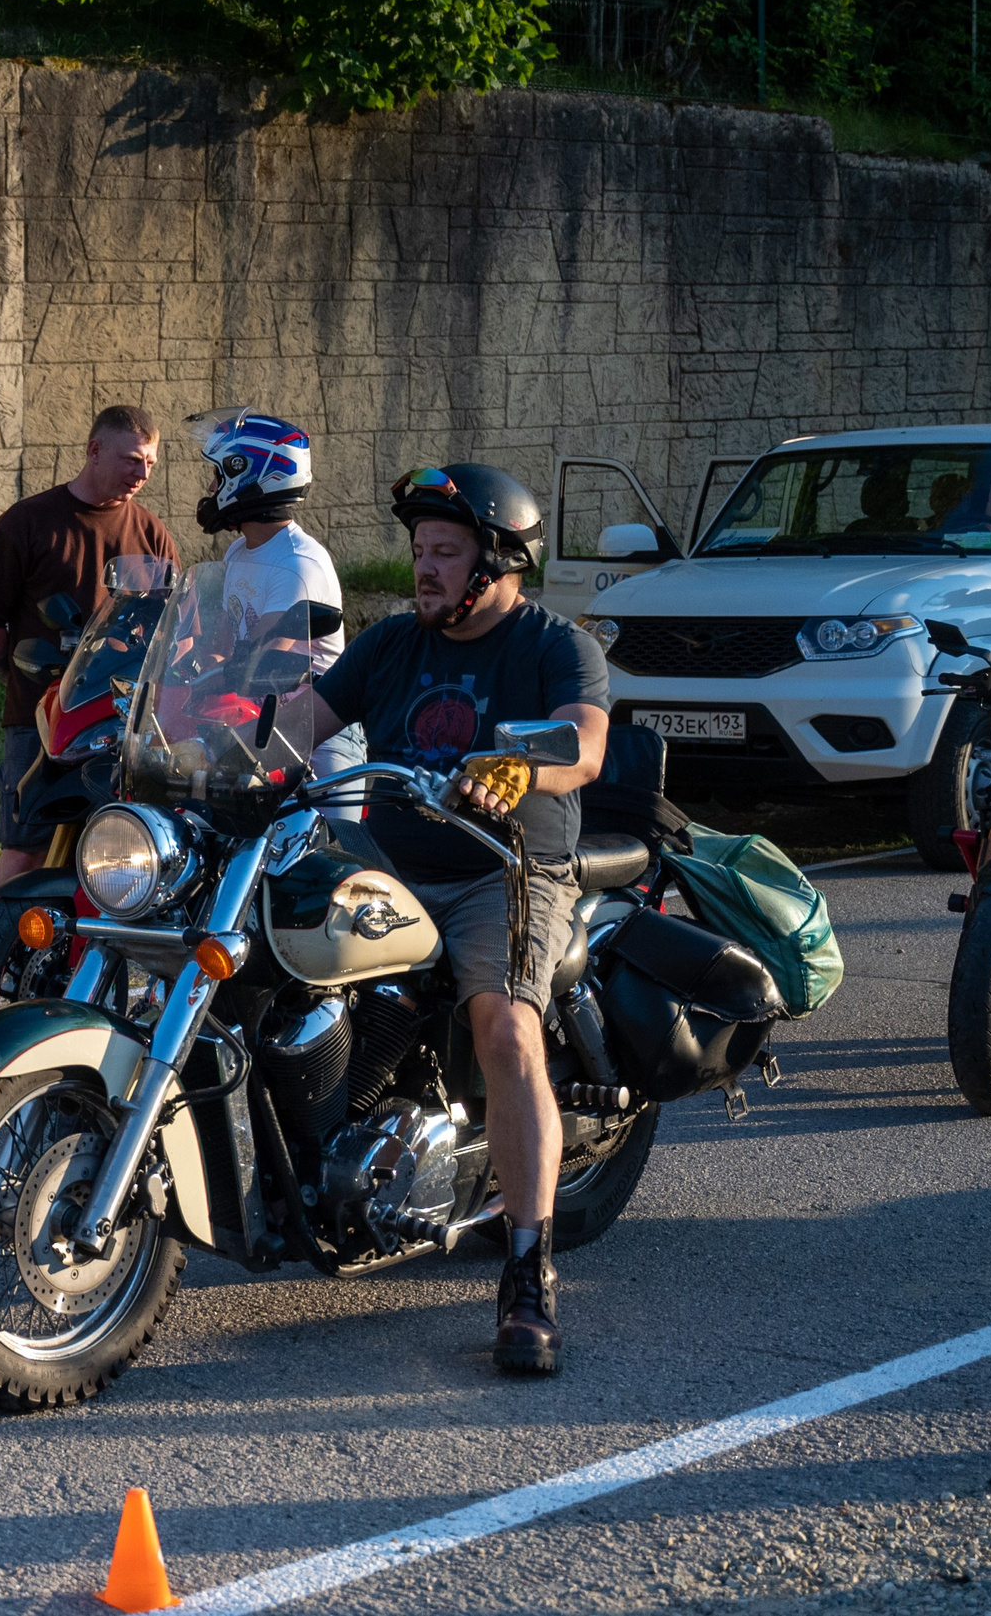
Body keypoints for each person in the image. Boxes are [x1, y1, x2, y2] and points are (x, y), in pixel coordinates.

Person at [301, 463, 610, 1378]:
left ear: (499, 561)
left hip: (501, 867)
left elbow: (585, 744)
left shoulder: (556, 644)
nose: (423, 568)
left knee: (507, 1030)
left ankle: (526, 1266)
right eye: (418, 551)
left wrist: (527, 769)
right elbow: (296, 720)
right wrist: (196, 733)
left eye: (444, 552)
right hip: (385, 863)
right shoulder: (394, 643)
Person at [0, 405, 182, 922]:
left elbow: (174, 626)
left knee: (120, 857)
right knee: (25, 850)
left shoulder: (152, 535)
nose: (143, 473)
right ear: (93, 451)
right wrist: (26, 686)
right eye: (132, 459)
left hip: (125, 729)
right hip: (42, 723)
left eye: (150, 463)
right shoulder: (27, 523)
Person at [188, 408, 366, 816]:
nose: (211, 487)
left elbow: (261, 659)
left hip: (321, 727)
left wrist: (225, 671)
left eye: (218, 476)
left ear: (248, 477)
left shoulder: (298, 564)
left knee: (337, 847)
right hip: (260, 717)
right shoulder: (239, 552)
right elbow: (224, 646)